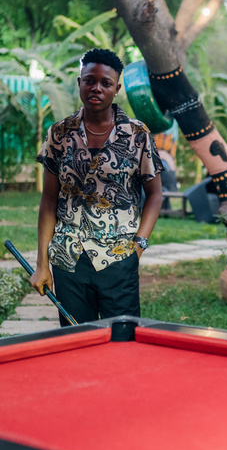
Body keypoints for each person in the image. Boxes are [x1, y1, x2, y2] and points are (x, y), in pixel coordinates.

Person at [30, 48, 163, 325]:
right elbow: (48, 201)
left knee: (123, 339)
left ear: (117, 88)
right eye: (89, 80)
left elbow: (155, 194)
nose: (96, 88)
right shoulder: (59, 133)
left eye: (105, 83)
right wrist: (43, 264)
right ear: (79, 83)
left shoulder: (137, 135)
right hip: (68, 258)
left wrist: (138, 245)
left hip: (119, 257)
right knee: (77, 341)